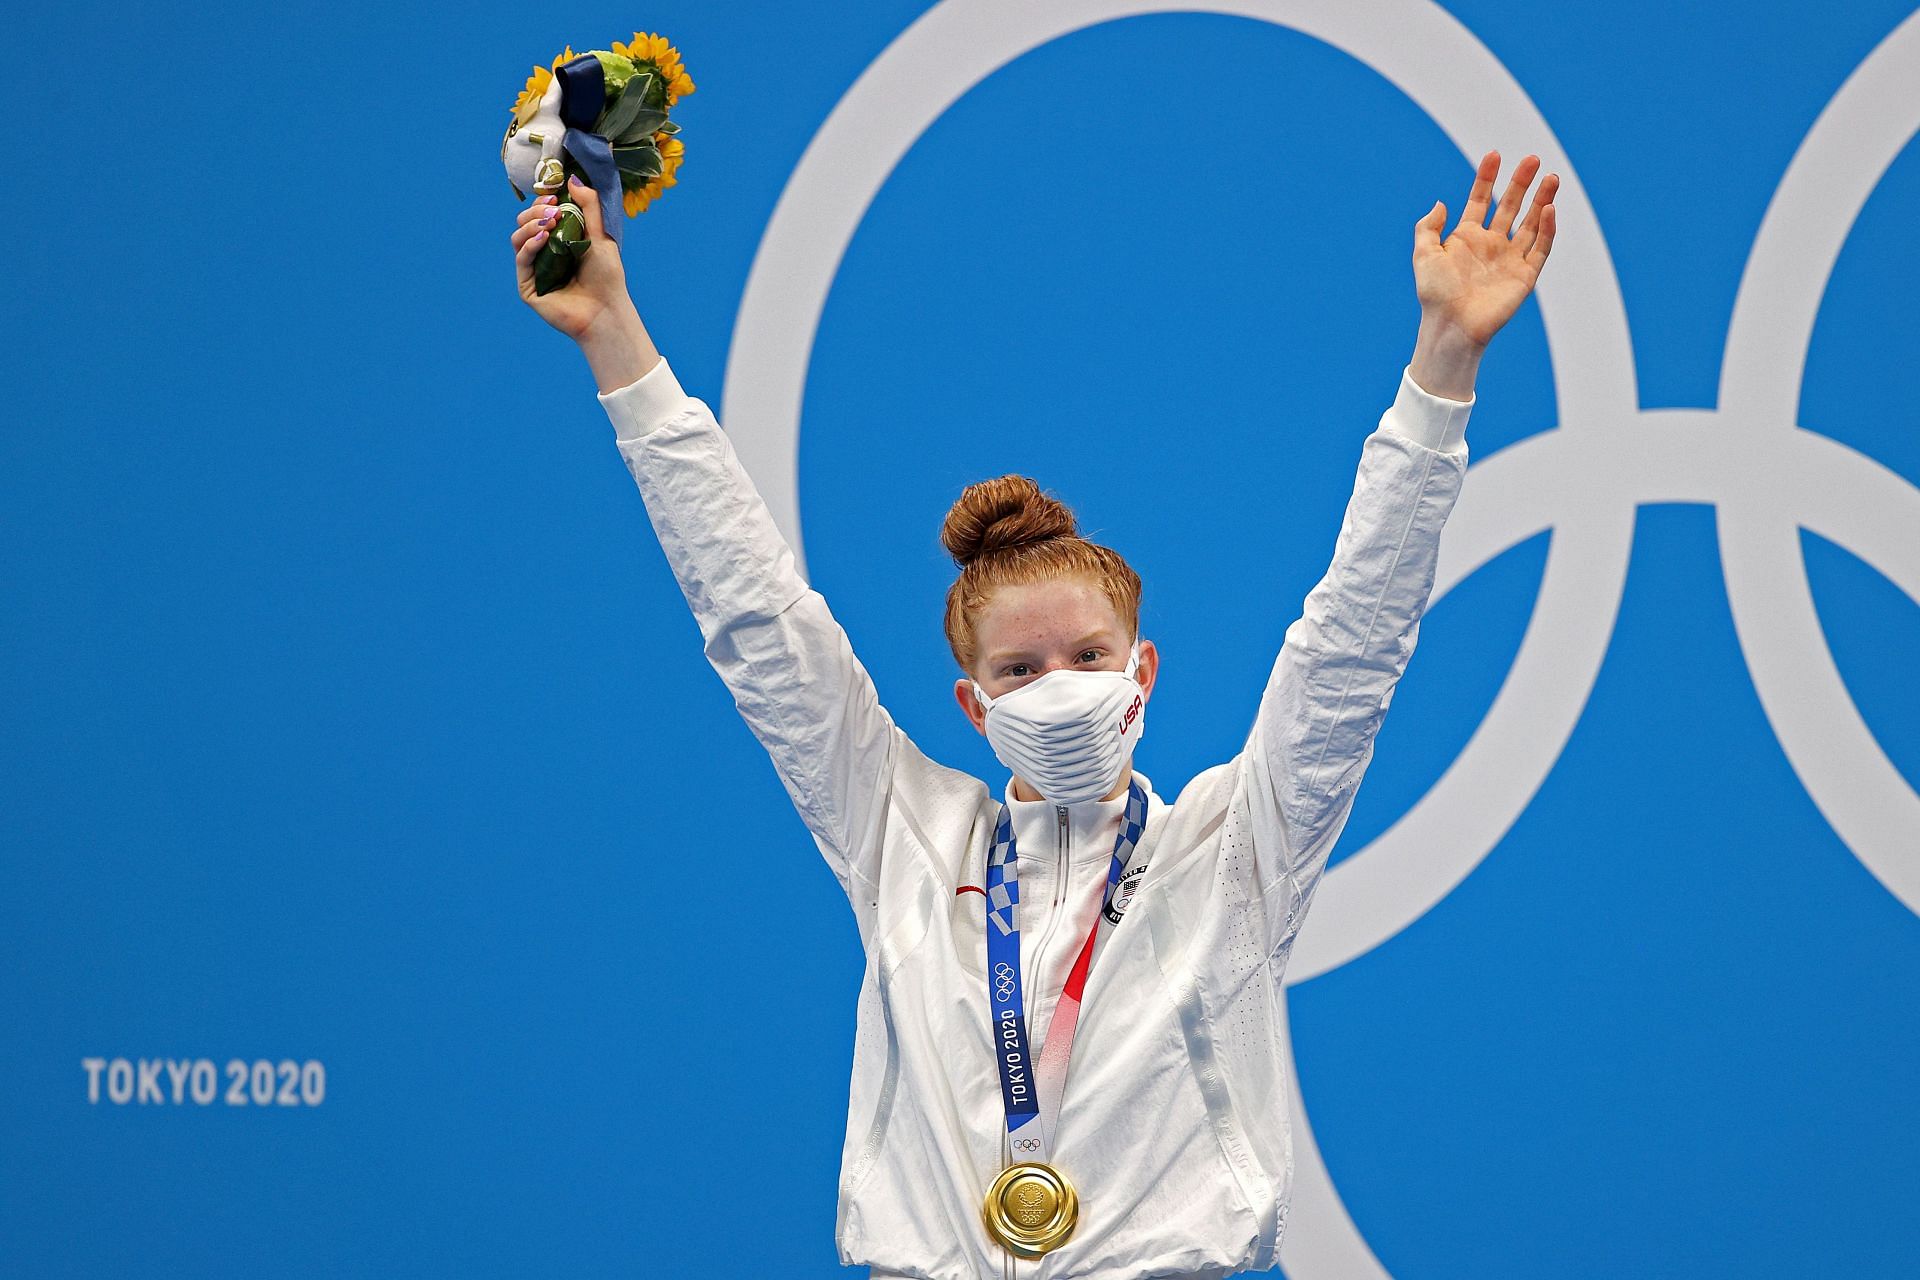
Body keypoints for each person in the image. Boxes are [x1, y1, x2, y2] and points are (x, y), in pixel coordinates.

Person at [511, 150, 1557, 1280]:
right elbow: (757, 617)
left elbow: (1353, 642)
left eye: (1088, 655)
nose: (1058, 684)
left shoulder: (1237, 844)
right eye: (1019, 669)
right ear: (971, 702)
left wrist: (1443, 366)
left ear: (1141, 671)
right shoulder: (901, 826)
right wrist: (617, 339)